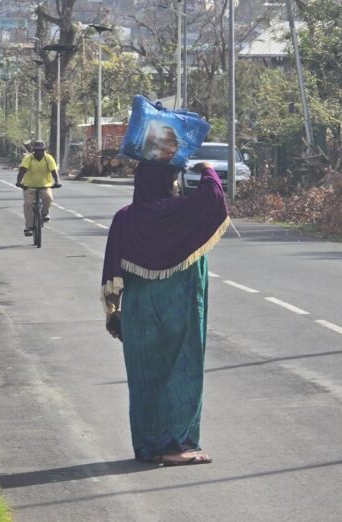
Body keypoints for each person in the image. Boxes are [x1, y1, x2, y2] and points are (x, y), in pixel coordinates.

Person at [101, 161, 228, 465]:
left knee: (145, 379)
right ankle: (176, 446)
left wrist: (113, 313)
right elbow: (213, 197)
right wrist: (207, 169)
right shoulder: (183, 213)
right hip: (179, 310)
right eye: (172, 177)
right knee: (181, 372)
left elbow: (112, 272)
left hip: (139, 314)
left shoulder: (125, 219)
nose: (174, 183)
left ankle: (148, 447)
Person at [16, 140, 61, 236]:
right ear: (33, 150)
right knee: (28, 204)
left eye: (41, 150)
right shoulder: (28, 158)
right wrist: (19, 182)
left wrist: (57, 182)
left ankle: (45, 213)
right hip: (29, 186)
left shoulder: (48, 158)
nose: (39, 152)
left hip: (45, 186)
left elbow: (54, 171)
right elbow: (22, 171)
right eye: (37, 150)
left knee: (49, 198)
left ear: (44, 150)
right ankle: (29, 226)